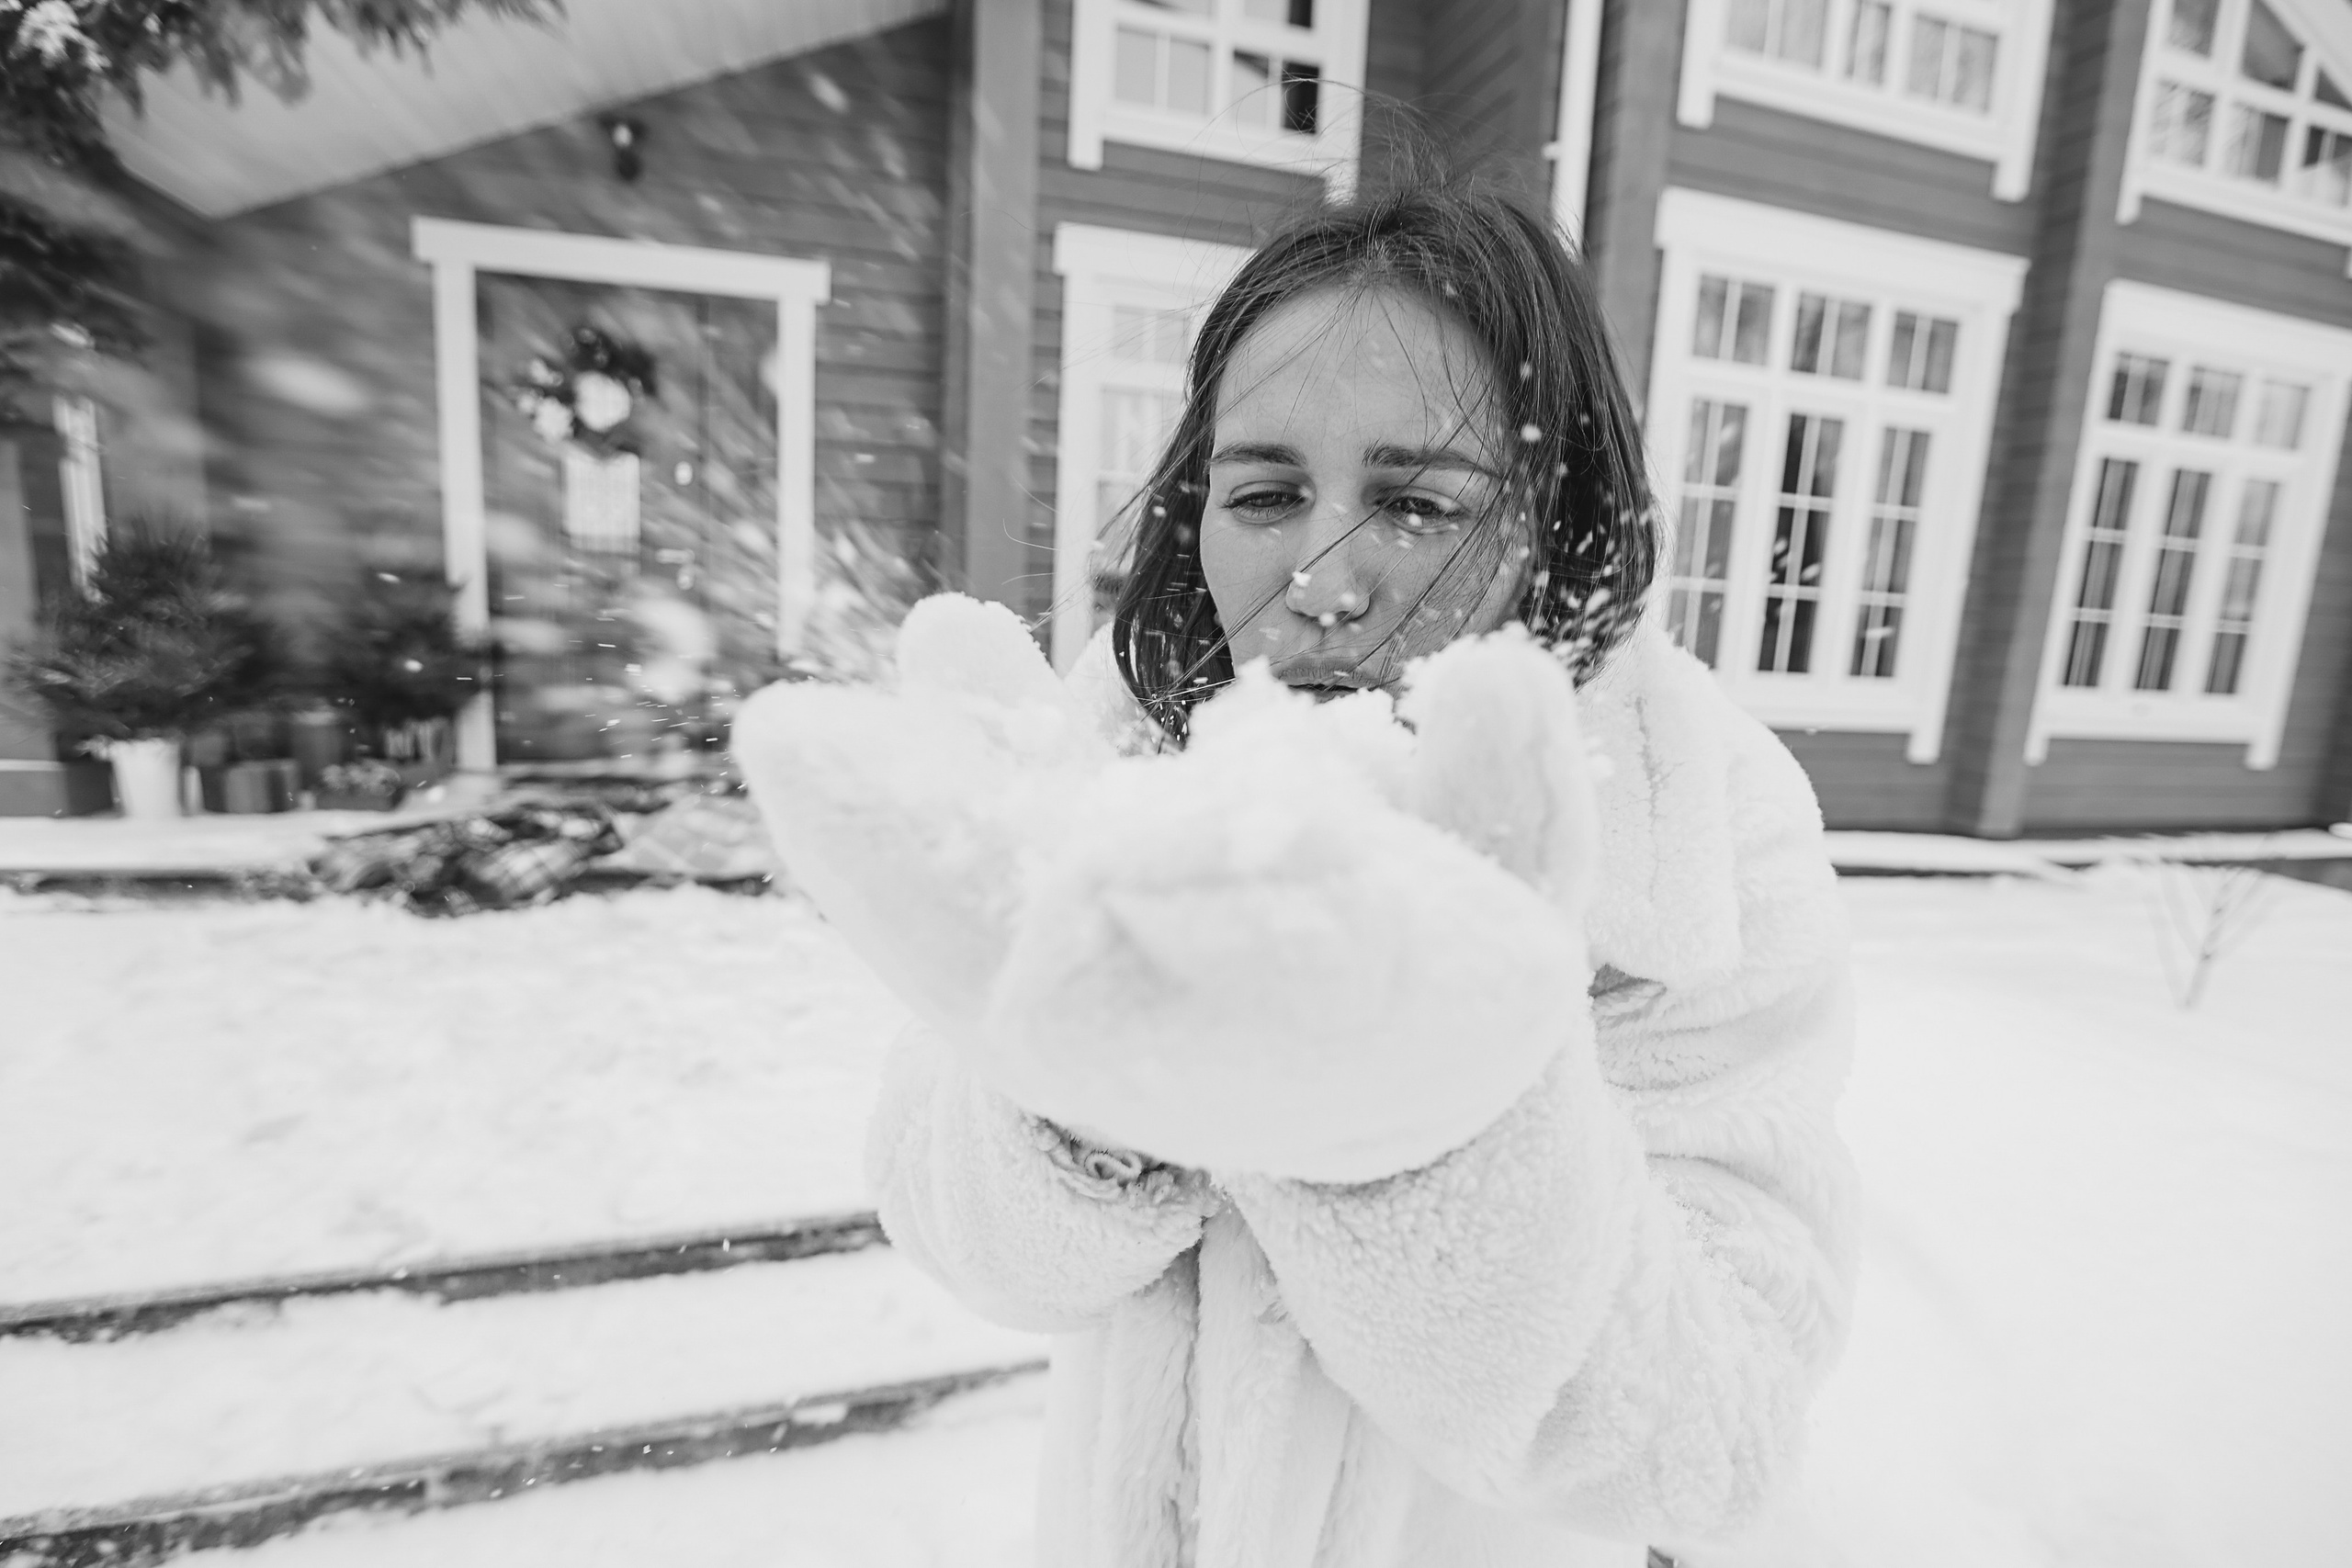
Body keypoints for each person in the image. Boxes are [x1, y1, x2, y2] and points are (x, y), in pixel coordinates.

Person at [862, 183, 1859, 1567]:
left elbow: (1713, 1437)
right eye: (1265, 493)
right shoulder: (1128, 749)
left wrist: (1411, 1106)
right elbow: (957, 1228)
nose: (1324, 581)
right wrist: (1093, 1082)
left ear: (1553, 518)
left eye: (1418, 502)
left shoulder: (1694, 826)